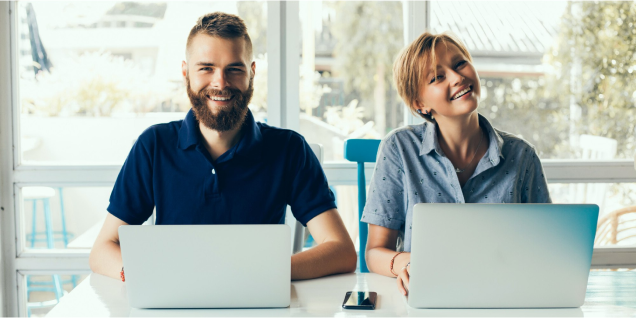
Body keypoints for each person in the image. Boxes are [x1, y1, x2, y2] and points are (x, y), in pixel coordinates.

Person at [89, 12, 356, 281]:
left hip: (258, 300)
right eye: (206, 68)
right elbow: (102, 250)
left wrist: (262, 273)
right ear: (186, 73)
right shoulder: (154, 145)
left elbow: (342, 251)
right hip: (175, 301)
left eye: (234, 69)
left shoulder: (289, 149)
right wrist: (140, 274)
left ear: (251, 73)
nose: (220, 82)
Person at [362, 32, 551, 295]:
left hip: (504, 296)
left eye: (460, 63)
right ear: (420, 104)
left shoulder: (523, 156)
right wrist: (406, 263)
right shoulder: (398, 149)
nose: (457, 77)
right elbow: (374, 252)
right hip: (428, 295)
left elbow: (545, 247)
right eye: (438, 77)